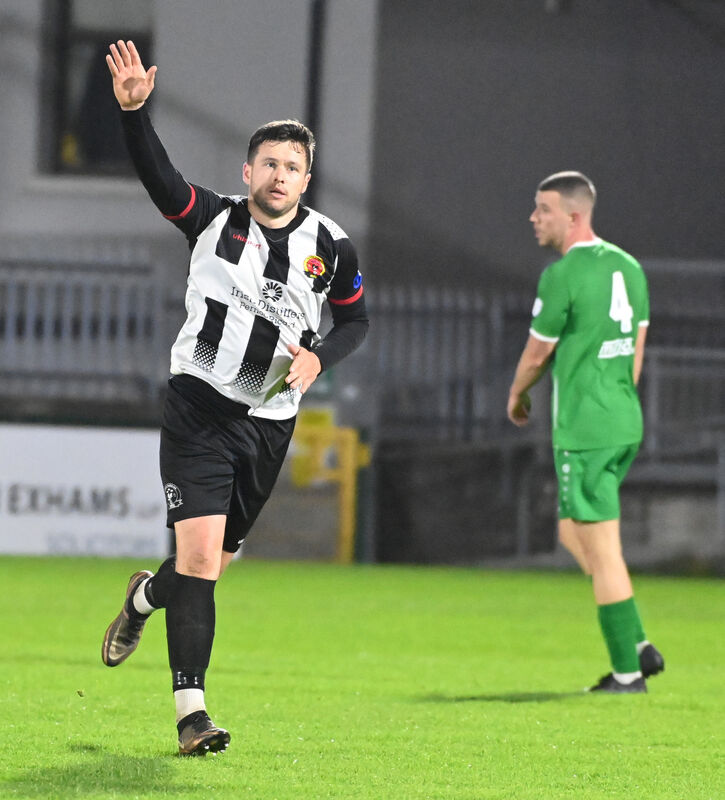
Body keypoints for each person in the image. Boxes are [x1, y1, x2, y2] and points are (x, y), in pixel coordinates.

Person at [100, 40, 368, 755]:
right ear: (248, 170)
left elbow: (357, 320)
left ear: (307, 177)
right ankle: (193, 716)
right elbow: (161, 181)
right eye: (269, 164)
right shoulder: (213, 219)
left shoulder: (331, 247)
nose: (279, 176)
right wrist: (134, 115)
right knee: (196, 561)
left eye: (292, 167)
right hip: (198, 407)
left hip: (269, 422)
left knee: (208, 567)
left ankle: (140, 600)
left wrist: (318, 357)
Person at [507, 171, 664, 693]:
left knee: (599, 552)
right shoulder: (630, 267)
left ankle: (627, 672)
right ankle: (638, 641)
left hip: (588, 429)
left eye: (543, 209)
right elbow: (637, 353)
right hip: (622, 420)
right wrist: (617, 402)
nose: (534, 217)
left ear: (573, 216)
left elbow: (536, 353)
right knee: (575, 534)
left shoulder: (563, 274)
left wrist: (517, 394)